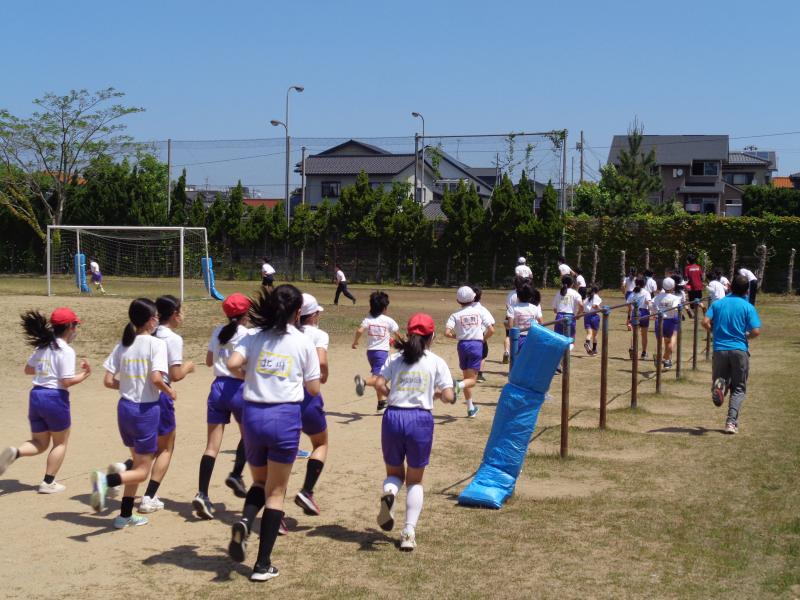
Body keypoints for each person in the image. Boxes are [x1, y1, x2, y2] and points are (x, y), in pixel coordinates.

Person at [226, 284, 321, 582]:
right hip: (284, 417)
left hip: (253, 416)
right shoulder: (303, 341)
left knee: (259, 481)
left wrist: (249, 374)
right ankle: (262, 565)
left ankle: (245, 520)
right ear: (297, 312)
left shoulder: (254, 335)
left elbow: (231, 363)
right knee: (276, 492)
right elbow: (313, 388)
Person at [373, 313, 473, 552]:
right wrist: (446, 394)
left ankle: (389, 492)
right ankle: (408, 532)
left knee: (394, 473)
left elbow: (378, 384)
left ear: (408, 335)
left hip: (393, 417)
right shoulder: (436, 362)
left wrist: (392, 395)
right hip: (420, 420)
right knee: (415, 480)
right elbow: (448, 396)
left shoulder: (395, 358)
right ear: (432, 337)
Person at [90, 298, 174, 529]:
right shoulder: (156, 344)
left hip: (125, 409)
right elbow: (156, 378)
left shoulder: (123, 344)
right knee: (142, 472)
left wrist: (127, 386)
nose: (157, 320)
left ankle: (125, 515)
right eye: (156, 317)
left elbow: (108, 381)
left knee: (137, 463)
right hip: (145, 411)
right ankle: (106, 481)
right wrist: (170, 391)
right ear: (151, 320)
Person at [0, 308, 90, 493]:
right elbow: (66, 381)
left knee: (40, 443)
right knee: (60, 443)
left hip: (36, 396)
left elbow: (28, 369)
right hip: (55, 398)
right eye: (75, 325)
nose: (76, 329)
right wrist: (85, 374)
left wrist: (46, 371)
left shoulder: (42, 346)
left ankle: (16, 452)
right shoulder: (66, 350)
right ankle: (48, 483)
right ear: (69, 327)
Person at [192, 293, 252, 520]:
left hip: (217, 388)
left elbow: (209, 361)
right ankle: (236, 473)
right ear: (246, 313)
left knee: (211, 446)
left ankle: (202, 493)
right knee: (248, 436)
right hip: (239, 388)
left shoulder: (218, 331)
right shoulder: (247, 334)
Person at [135, 295, 194, 514]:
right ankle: (149, 496)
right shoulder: (172, 338)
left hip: (141, 394)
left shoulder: (148, 333)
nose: (183, 316)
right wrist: (188, 367)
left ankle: (120, 472)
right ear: (175, 314)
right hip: (161, 394)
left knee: (148, 445)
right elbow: (175, 374)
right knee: (166, 448)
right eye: (181, 312)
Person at [703, 274, 761, 434]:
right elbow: (756, 331)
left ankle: (720, 386)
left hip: (720, 349)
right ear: (747, 290)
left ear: (729, 287)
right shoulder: (748, 307)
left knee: (720, 378)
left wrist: (714, 331)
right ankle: (731, 422)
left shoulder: (718, 304)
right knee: (739, 387)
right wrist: (747, 336)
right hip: (739, 349)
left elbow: (704, 322)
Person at [294, 293, 330, 517]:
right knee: (320, 443)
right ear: (314, 315)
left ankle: (275, 514)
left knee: (281, 457)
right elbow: (322, 360)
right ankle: (307, 491)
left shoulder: (284, 331)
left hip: (283, 397)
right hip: (308, 396)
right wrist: (323, 374)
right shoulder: (318, 334)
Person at [445, 286, 494, 418]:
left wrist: (458, 336)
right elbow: (491, 330)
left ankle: (470, 408)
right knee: (472, 380)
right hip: (476, 345)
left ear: (457, 300)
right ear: (473, 298)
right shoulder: (480, 312)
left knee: (467, 378)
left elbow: (447, 332)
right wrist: (483, 339)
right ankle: (457, 385)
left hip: (462, 346)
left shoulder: (455, 315)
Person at [353, 291, 400, 411]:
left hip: (370, 353)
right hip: (382, 353)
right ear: (384, 308)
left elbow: (359, 331)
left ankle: (381, 403)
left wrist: (355, 342)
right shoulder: (388, 320)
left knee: (377, 376)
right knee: (378, 379)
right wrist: (403, 343)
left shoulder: (368, 319)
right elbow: (397, 334)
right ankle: (363, 382)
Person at [652, 277, 682, 371]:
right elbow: (675, 308)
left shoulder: (657, 297)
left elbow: (652, 305)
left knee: (661, 341)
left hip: (659, 320)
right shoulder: (675, 298)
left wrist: (657, 311)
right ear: (673, 287)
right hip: (671, 320)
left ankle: (662, 358)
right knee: (670, 341)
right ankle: (665, 358)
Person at [506, 280, 542, 354]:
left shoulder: (512, 308)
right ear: (531, 297)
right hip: (531, 337)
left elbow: (510, 326)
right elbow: (541, 323)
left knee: (516, 358)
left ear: (518, 296)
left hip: (517, 338)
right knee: (529, 358)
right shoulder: (534, 308)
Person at [470, 285, 496, 383]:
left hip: (466, 336)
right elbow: (492, 323)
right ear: (480, 296)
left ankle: (470, 373)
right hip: (480, 336)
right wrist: (484, 338)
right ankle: (479, 375)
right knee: (483, 355)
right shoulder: (483, 310)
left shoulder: (464, 309)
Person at [502, 276, 528, 364]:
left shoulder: (511, 294)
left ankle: (507, 351)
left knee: (508, 336)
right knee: (521, 335)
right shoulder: (524, 293)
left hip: (510, 316)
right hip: (521, 316)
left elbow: (507, 305)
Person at [552, 275, 584, 343]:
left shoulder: (558, 293)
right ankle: (568, 349)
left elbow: (554, 309)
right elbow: (581, 305)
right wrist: (578, 315)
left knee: (558, 338)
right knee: (570, 339)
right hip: (570, 317)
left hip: (559, 316)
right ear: (572, 283)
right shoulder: (575, 293)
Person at [627, 278, 653, 360]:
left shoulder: (632, 293)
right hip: (644, 313)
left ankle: (632, 348)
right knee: (644, 334)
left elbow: (629, 306)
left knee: (634, 333)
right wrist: (651, 311)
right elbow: (649, 303)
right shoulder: (646, 292)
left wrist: (629, 317)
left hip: (635, 313)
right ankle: (644, 353)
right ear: (644, 284)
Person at [582, 285, 602, 355]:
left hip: (586, 316)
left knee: (589, 333)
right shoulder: (596, 297)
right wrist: (601, 310)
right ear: (598, 291)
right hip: (594, 316)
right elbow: (594, 306)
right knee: (594, 335)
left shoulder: (587, 298)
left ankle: (587, 343)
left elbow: (583, 305)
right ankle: (594, 349)